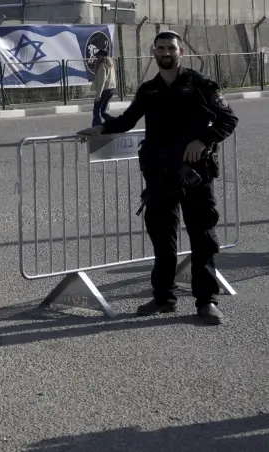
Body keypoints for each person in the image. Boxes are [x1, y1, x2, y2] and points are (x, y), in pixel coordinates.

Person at [77, 31, 237, 325]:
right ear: (154, 52)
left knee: (202, 239)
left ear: (181, 52)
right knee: (162, 240)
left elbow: (229, 119)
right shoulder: (149, 90)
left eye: (171, 48)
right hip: (160, 176)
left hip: (195, 175)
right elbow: (127, 120)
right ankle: (163, 298)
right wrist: (100, 129)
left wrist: (203, 140)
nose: (165, 52)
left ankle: (206, 302)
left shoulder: (201, 85)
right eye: (160, 48)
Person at [90, 49, 116, 126]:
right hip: (111, 89)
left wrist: (98, 95)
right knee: (102, 111)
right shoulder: (110, 64)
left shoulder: (102, 66)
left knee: (96, 111)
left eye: (99, 56)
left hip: (104, 90)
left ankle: (96, 128)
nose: (97, 58)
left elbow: (102, 82)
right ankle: (114, 123)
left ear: (103, 56)